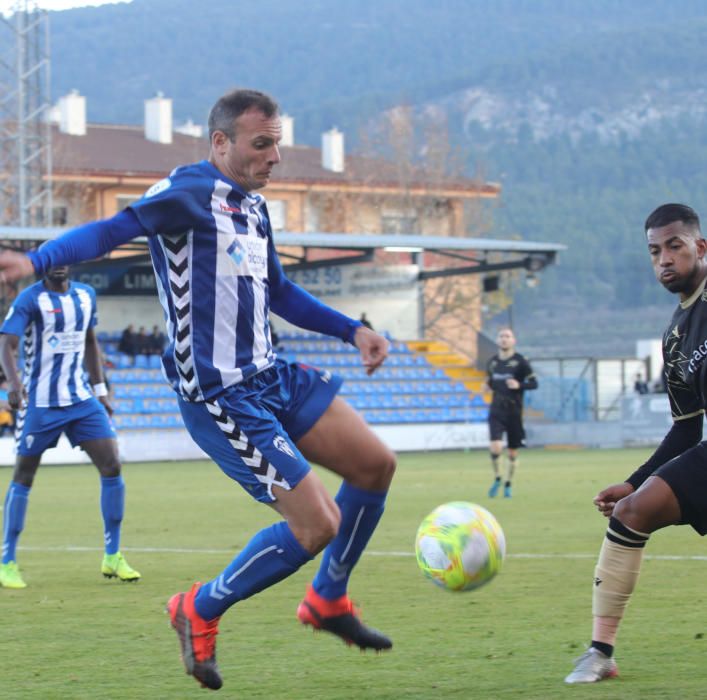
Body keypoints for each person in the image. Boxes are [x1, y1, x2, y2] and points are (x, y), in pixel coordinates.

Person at [0, 88, 395, 691]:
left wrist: (353, 329)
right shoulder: (186, 194)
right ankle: (200, 608)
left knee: (375, 466)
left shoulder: (255, 209)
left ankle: (328, 600)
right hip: (221, 396)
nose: (275, 158)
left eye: (276, 145)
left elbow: (280, 294)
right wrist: (36, 260)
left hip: (272, 375)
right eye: (261, 145)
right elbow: (111, 230)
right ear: (221, 142)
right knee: (318, 524)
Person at [564, 203, 707, 684]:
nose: (664, 259)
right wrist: (633, 482)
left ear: (699, 247)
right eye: (654, 252)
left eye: (674, 246)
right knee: (632, 511)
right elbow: (687, 428)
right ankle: (600, 654)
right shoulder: (675, 337)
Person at [0, 263, 140, 589]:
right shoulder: (29, 299)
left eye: (64, 258)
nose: (59, 265)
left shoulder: (85, 296)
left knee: (112, 465)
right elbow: (5, 343)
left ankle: (113, 555)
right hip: (41, 403)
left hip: (80, 399)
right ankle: (7, 560)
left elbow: (91, 342)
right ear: (44, 266)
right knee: (24, 475)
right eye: (53, 259)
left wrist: (101, 390)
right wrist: (13, 386)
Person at [484, 327, 538, 498]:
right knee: (496, 446)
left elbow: (534, 383)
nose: (504, 339)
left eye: (507, 336)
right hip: (496, 410)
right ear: (498, 340)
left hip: (514, 412)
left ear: (513, 340)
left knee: (512, 452)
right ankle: (498, 478)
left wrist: (519, 385)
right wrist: (487, 386)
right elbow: (491, 381)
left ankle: (508, 483)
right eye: (501, 336)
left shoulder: (521, 361)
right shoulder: (492, 362)